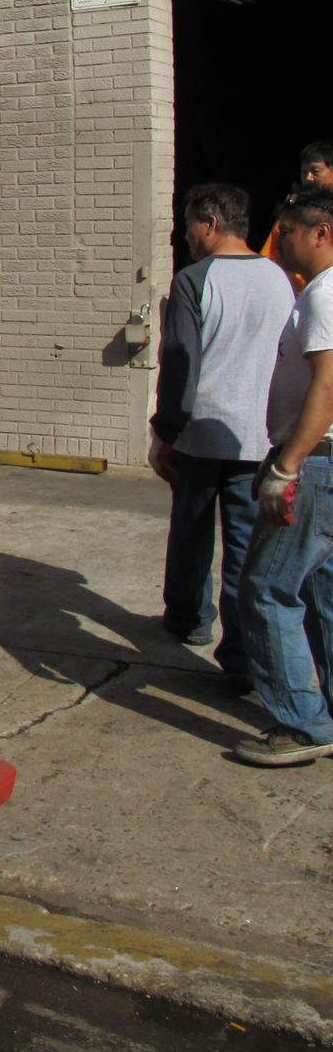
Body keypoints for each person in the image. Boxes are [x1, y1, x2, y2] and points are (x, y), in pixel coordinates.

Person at [148, 184, 295, 683]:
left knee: (191, 534)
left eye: (190, 224)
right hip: (259, 436)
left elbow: (180, 364)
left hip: (201, 435)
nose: (185, 234)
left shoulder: (195, 280)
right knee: (245, 550)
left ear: (209, 223)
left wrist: (165, 431)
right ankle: (241, 657)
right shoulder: (280, 279)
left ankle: (189, 620)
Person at [233, 184, 333, 766]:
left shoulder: (323, 297)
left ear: (320, 233)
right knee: (322, 591)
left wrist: (285, 466)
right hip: (323, 462)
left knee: (268, 591)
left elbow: (326, 388)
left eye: (288, 231)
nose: (281, 240)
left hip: (315, 462)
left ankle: (301, 724)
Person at [258, 141, 333, 292]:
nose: (308, 178)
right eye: (304, 172)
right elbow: (269, 260)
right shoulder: (292, 214)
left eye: (315, 171)